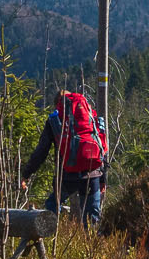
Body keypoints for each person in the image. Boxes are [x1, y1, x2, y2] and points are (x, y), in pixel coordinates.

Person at [21, 88, 109, 227]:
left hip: (68, 175)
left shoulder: (55, 120)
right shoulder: (89, 117)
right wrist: (103, 179)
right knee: (92, 220)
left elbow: (41, 151)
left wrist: (26, 173)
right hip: (93, 174)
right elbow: (101, 147)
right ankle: (91, 246)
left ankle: (52, 237)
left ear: (57, 104)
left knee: (52, 204)